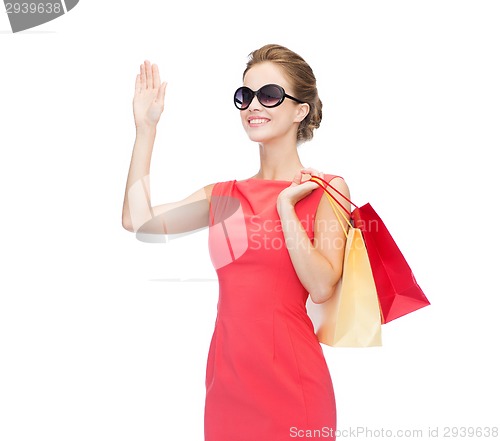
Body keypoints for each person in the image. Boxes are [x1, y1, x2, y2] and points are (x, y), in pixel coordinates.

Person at [122, 43, 350, 441]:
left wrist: (284, 207)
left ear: (301, 111)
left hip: (294, 388)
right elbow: (138, 220)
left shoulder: (325, 190)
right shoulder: (224, 196)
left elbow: (320, 285)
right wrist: (146, 131)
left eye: (269, 95)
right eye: (245, 96)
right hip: (228, 385)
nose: (253, 106)